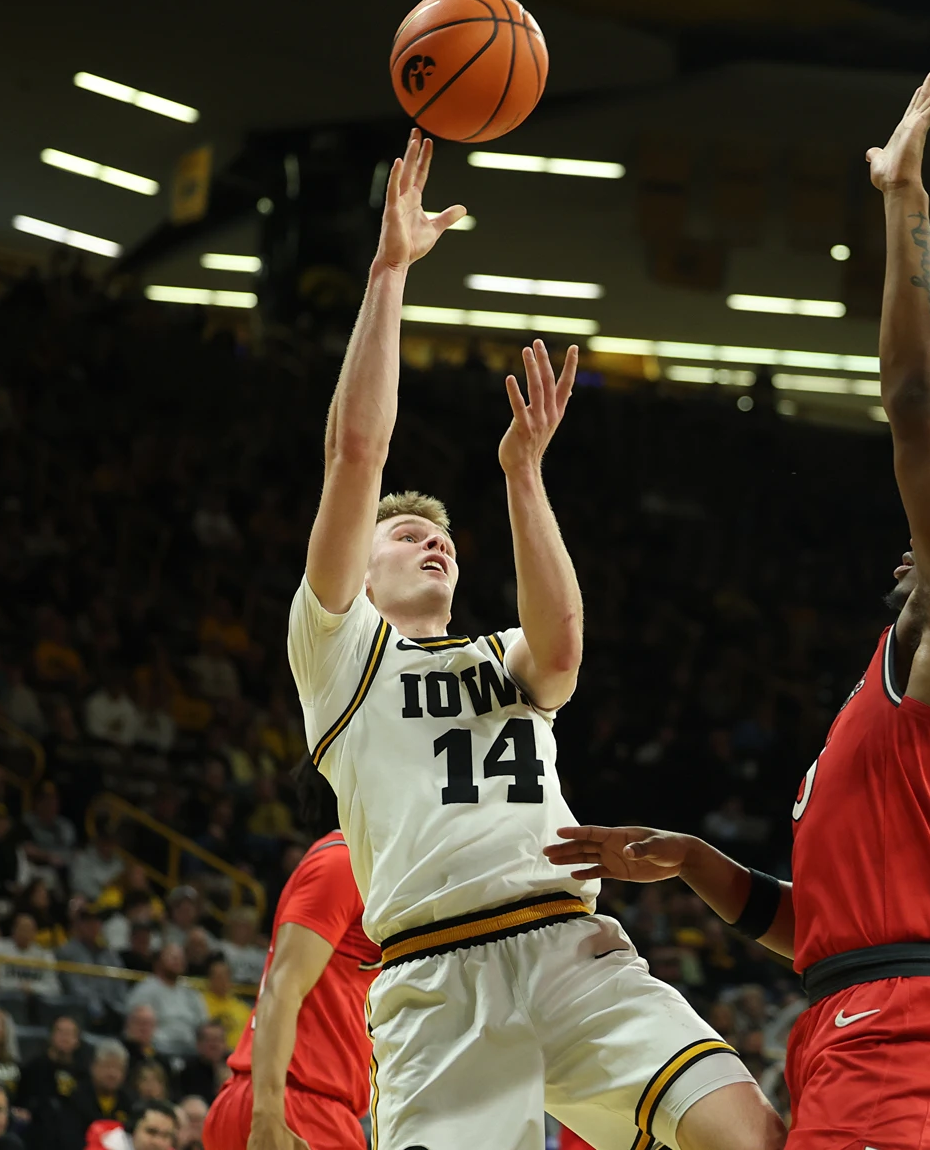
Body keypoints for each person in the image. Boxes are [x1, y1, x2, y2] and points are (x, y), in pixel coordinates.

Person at [544, 73, 930, 1150]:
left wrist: (907, 201)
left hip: (916, 1029)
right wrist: (700, 864)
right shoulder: (912, 680)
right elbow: (830, 927)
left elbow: (919, 407)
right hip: (862, 1012)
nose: (923, 533)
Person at [290, 130, 778, 1150]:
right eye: (405, 531)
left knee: (748, 1135)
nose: (432, 540)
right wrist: (387, 273)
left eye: (443, 537)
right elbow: (356, 449)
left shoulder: (498, 657)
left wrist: (523, 475)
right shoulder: (339, 655)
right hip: (436, 980)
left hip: (570, 948)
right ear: (360, 570)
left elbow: (562, 650)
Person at [202, 765, 377, 1150]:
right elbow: (282, 989)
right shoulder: (343, 860)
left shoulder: (366, 868)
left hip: (297, 1099)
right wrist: (268, 1114)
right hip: (297, 1106)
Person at [123, 946, 207, 1057]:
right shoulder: (145, 989)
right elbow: (133, 1025)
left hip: (190, 1048)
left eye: (180, 958)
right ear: (158, 962)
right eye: (172, 957)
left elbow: (204, 1023)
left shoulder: (191, 992)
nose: (177, 961)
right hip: (158, 1047)